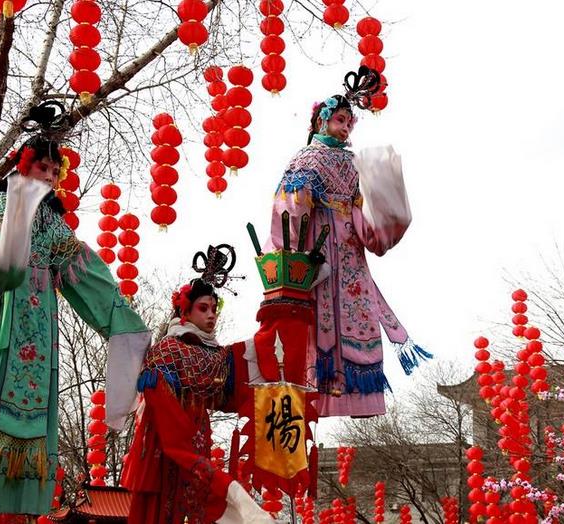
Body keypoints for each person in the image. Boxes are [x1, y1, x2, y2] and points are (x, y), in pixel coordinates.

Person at [0, 102, 151, 516]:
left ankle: (18, 506)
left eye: (56, 173)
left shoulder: (54, 227)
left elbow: (86, 275)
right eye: (43, 169)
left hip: (40, 327)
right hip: (1, 320)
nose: (50, 178)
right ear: (23, 168)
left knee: (36, 419)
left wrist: (126, 324)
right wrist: (18, 213)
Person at [267, 67, 431, 418]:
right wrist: (289, 252)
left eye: (348, 122)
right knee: (324, 319)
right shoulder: (307, 159)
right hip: (320, 248)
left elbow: (355, 212)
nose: (344, 128)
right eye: (339, 120)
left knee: (355, 313)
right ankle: (323, 390)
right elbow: (292, 209)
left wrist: (382, 214)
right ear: (320, 122)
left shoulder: (349, 163)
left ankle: (347, 393)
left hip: (349, 252)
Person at [122, 245, 271, 524]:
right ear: (186, 311)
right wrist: (190, 457)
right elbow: (163, 410)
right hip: (169, 449)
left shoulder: (215, 355)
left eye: (215, 308)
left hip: (195, 448)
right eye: (204, 308)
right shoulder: (167, 350)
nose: (212, 315)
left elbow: (243, 371)